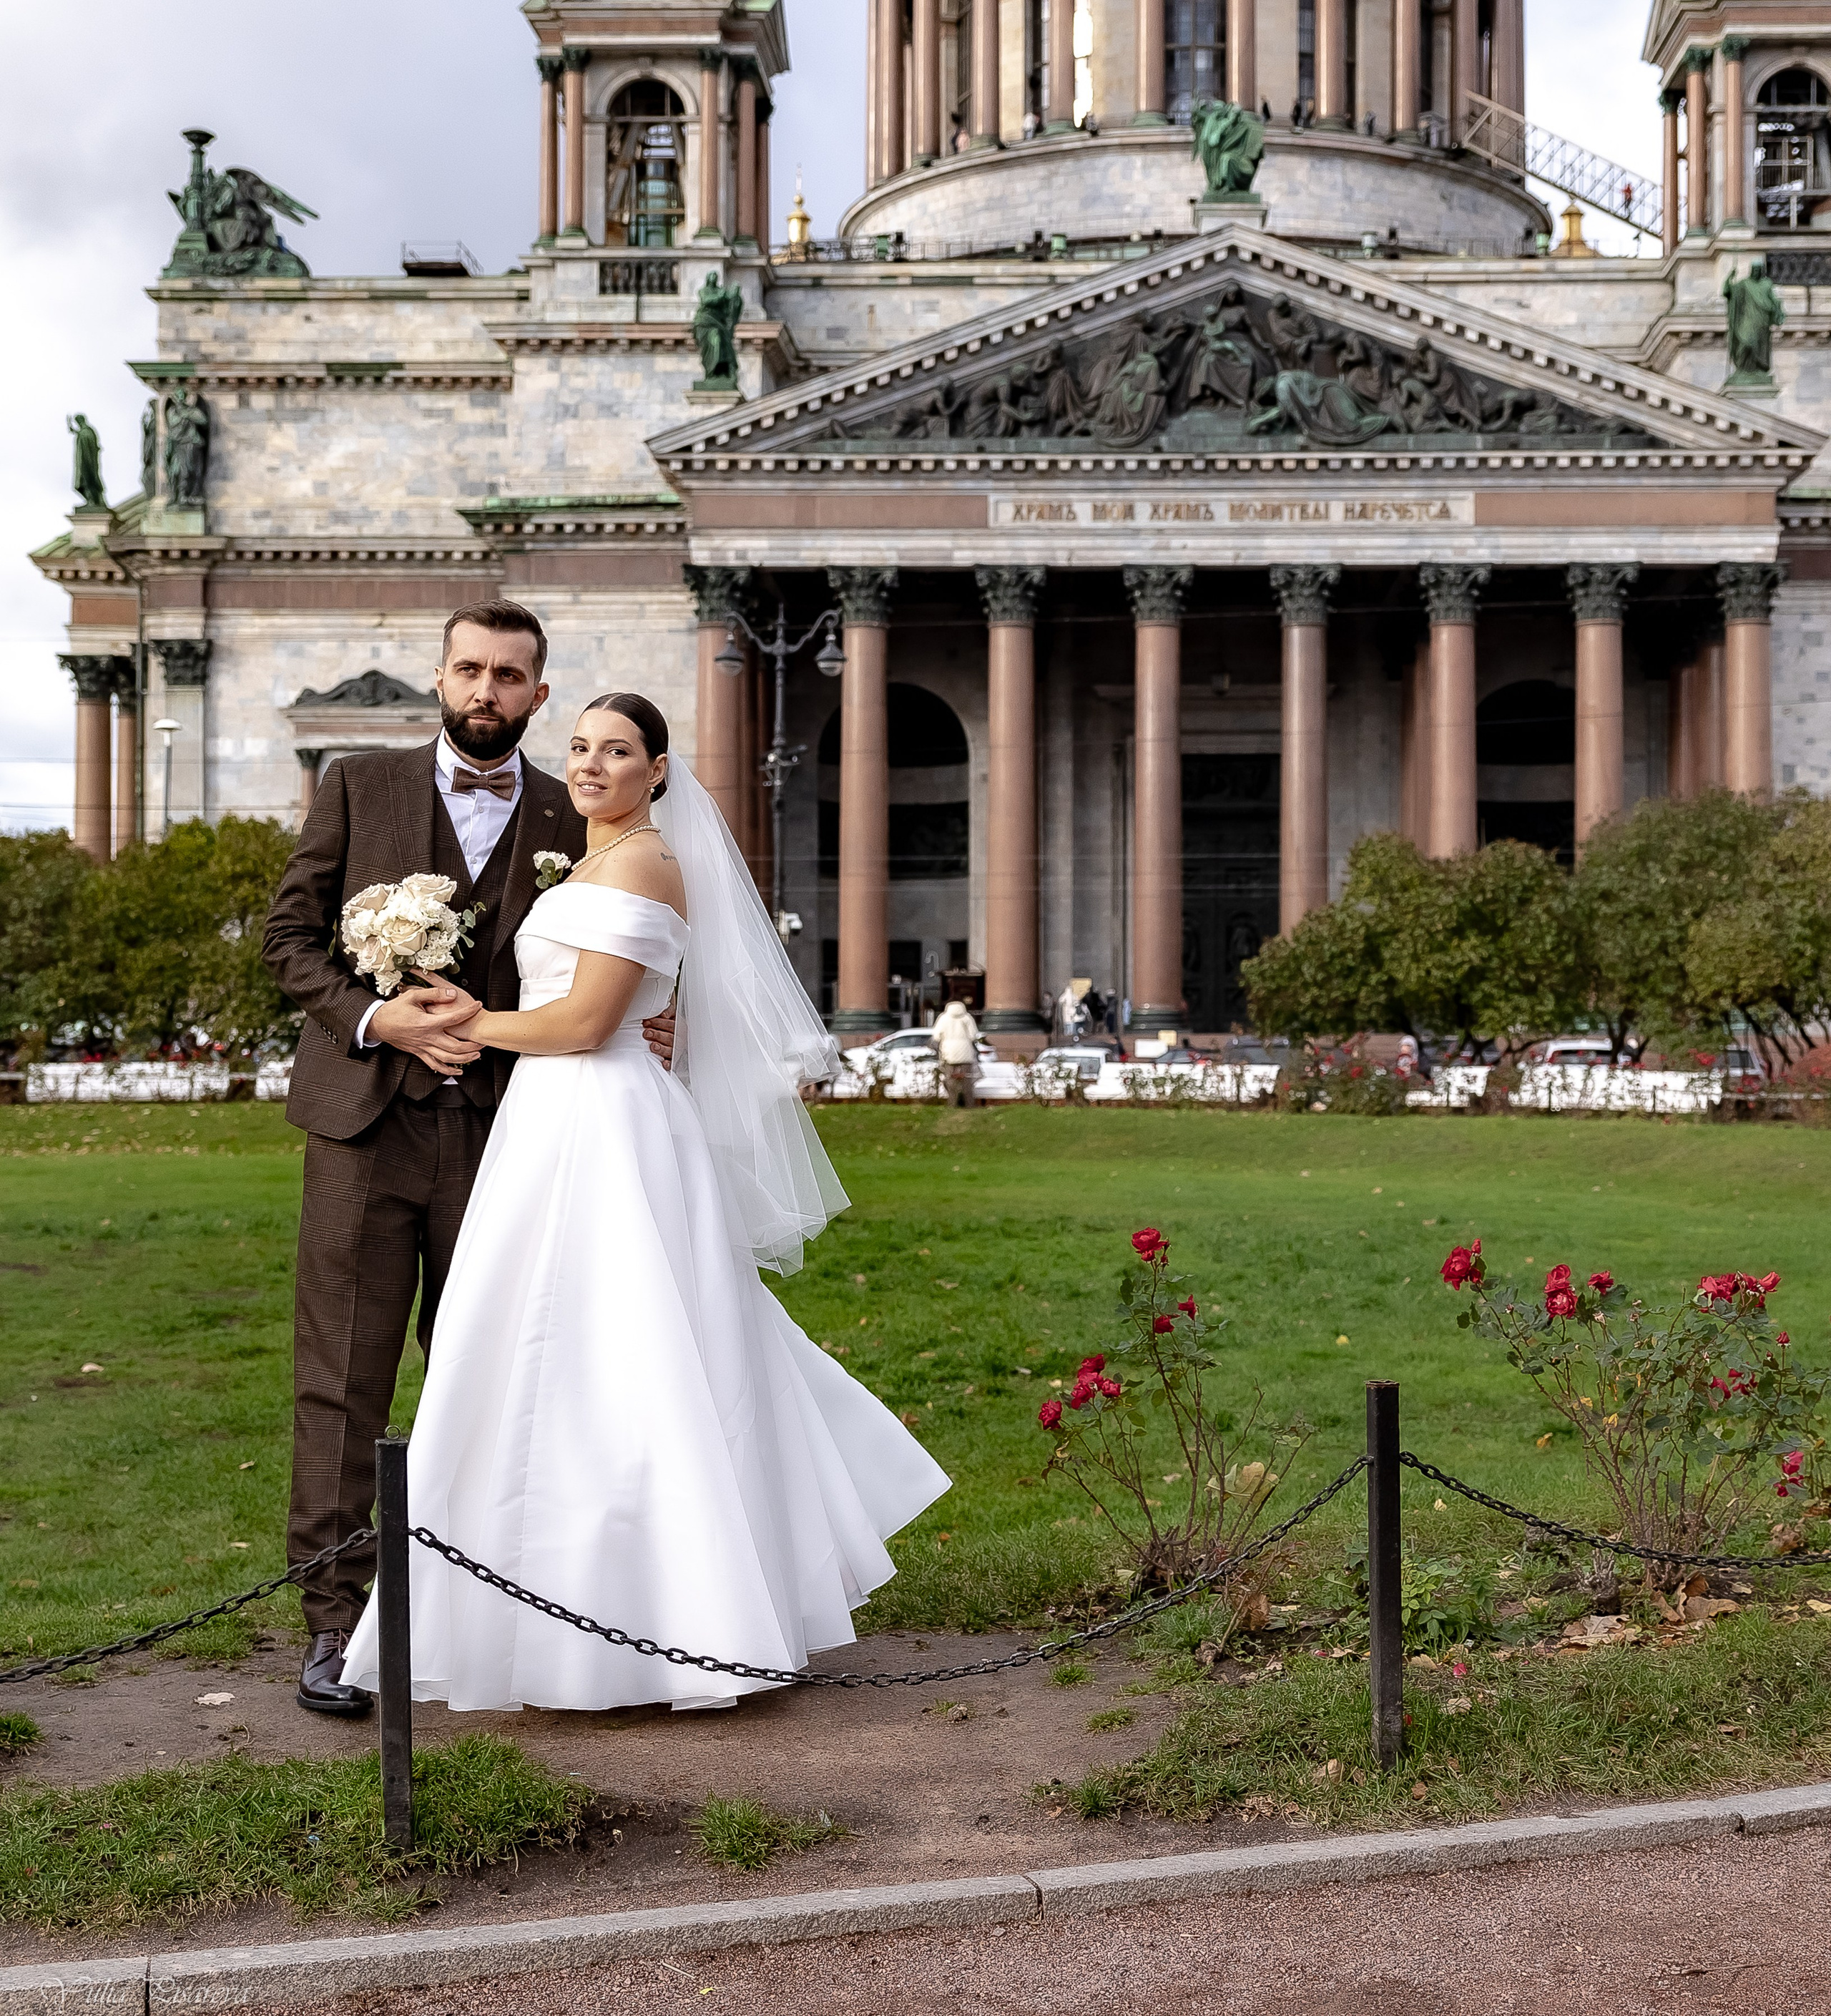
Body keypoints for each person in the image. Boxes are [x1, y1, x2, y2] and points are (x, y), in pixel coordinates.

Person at [341, 695, 948, 1711]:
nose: (589, 764)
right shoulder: (586, 864)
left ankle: (663, 1625)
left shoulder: (642, 863)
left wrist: (466, 1022)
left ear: (657, 770)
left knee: (623, 1354)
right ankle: (546, 1622)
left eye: (615, 751)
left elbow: (583, 1023)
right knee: (559, 1353)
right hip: (555, 1121)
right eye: (578, 746)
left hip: (602, 1123)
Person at [261, 600, 678, 1718]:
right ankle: (335, 1620)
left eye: (509, 676)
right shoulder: (358, 784)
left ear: (539, 693)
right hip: (364, 1127)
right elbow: (289, 940)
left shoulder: (579, 807)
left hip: (514, 1133)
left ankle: (478, 1607)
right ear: (439, 677)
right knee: (341, 1378)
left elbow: (620, 954)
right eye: (468, 670)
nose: (486, 691)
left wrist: (651, 1015)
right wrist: (374, 1017)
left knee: (499, 1372)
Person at [935, 997, 981, 1107]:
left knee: (950, 1082)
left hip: (949, 1053)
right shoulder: (967, 1018)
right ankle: (969, 1105)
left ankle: (952, 1104)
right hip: (965, 1053)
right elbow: (973, 1035)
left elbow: (937, 1036)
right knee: (967, 1081)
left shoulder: (943, 1018)